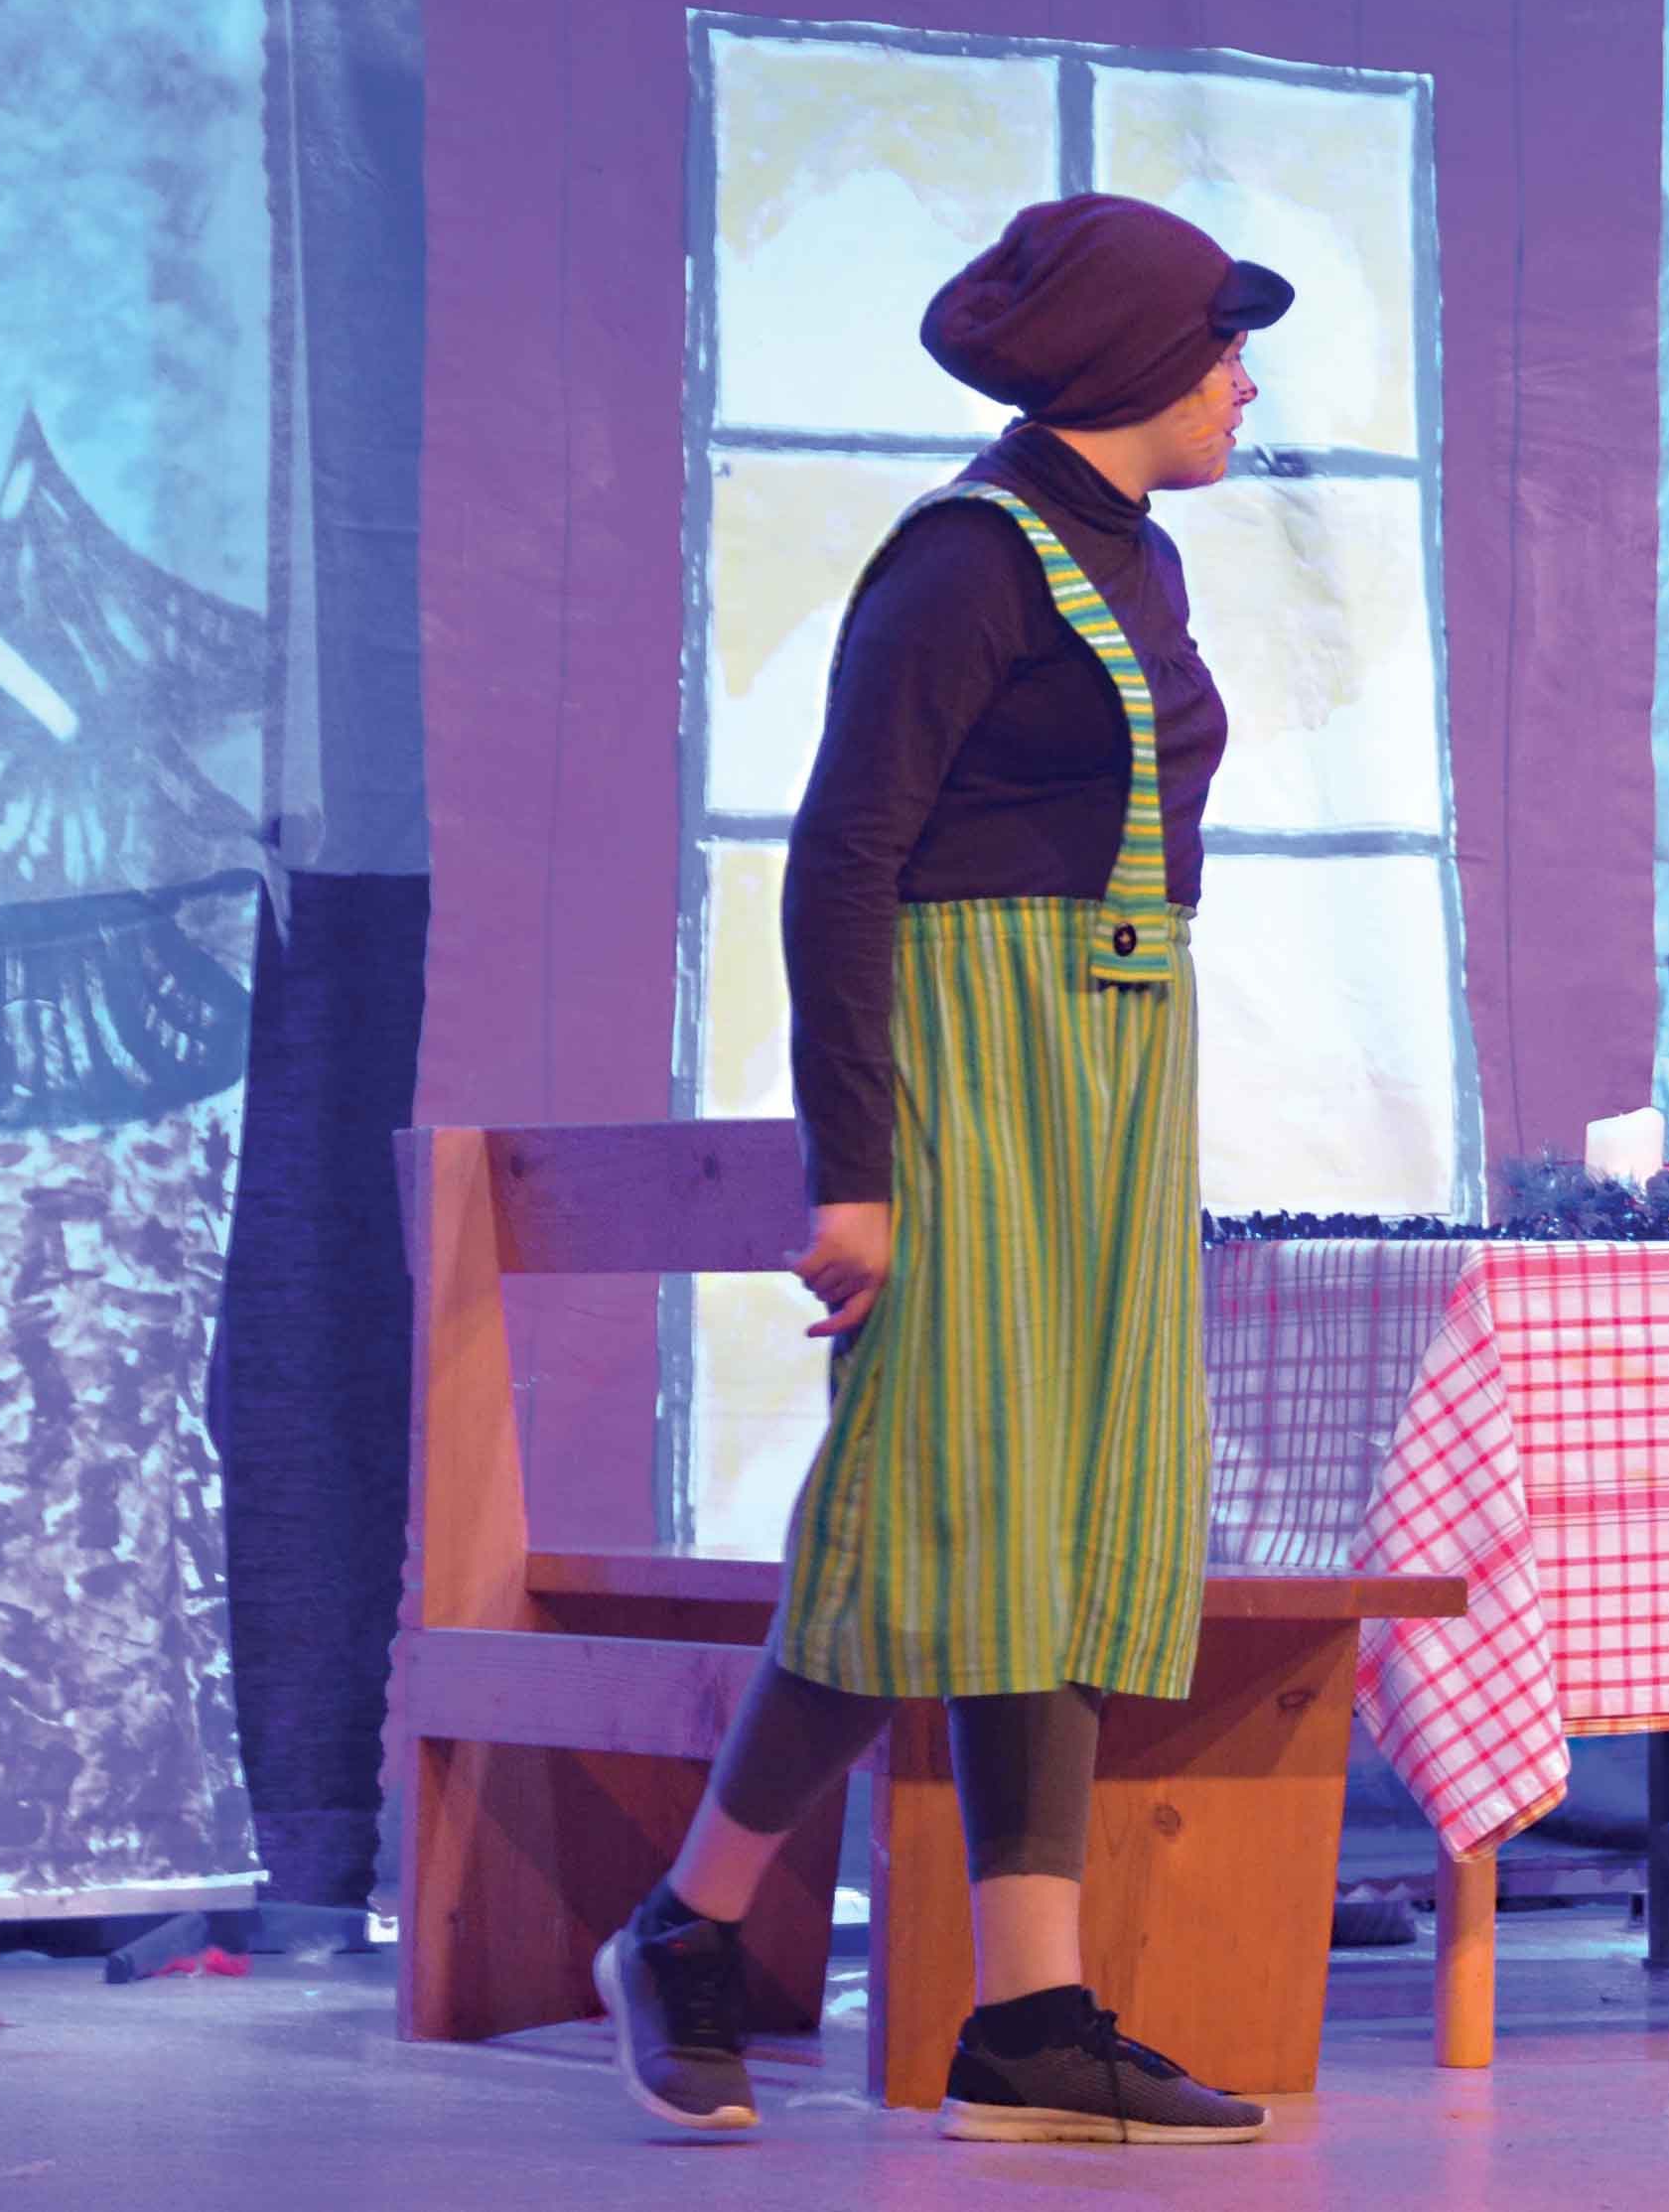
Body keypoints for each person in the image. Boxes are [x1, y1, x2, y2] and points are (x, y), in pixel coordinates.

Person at [592, 193, 1287, 2143]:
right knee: (929, 1512)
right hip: (971, 1058)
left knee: (1060, 1522)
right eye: (1221, 344)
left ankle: (1030, 2013)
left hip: (1113, 1060)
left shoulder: (1130, 554)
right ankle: (687, 1921)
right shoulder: (967, 560)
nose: (1244, 381)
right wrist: (858, 1164)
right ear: (1133, 366)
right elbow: (840, 864)